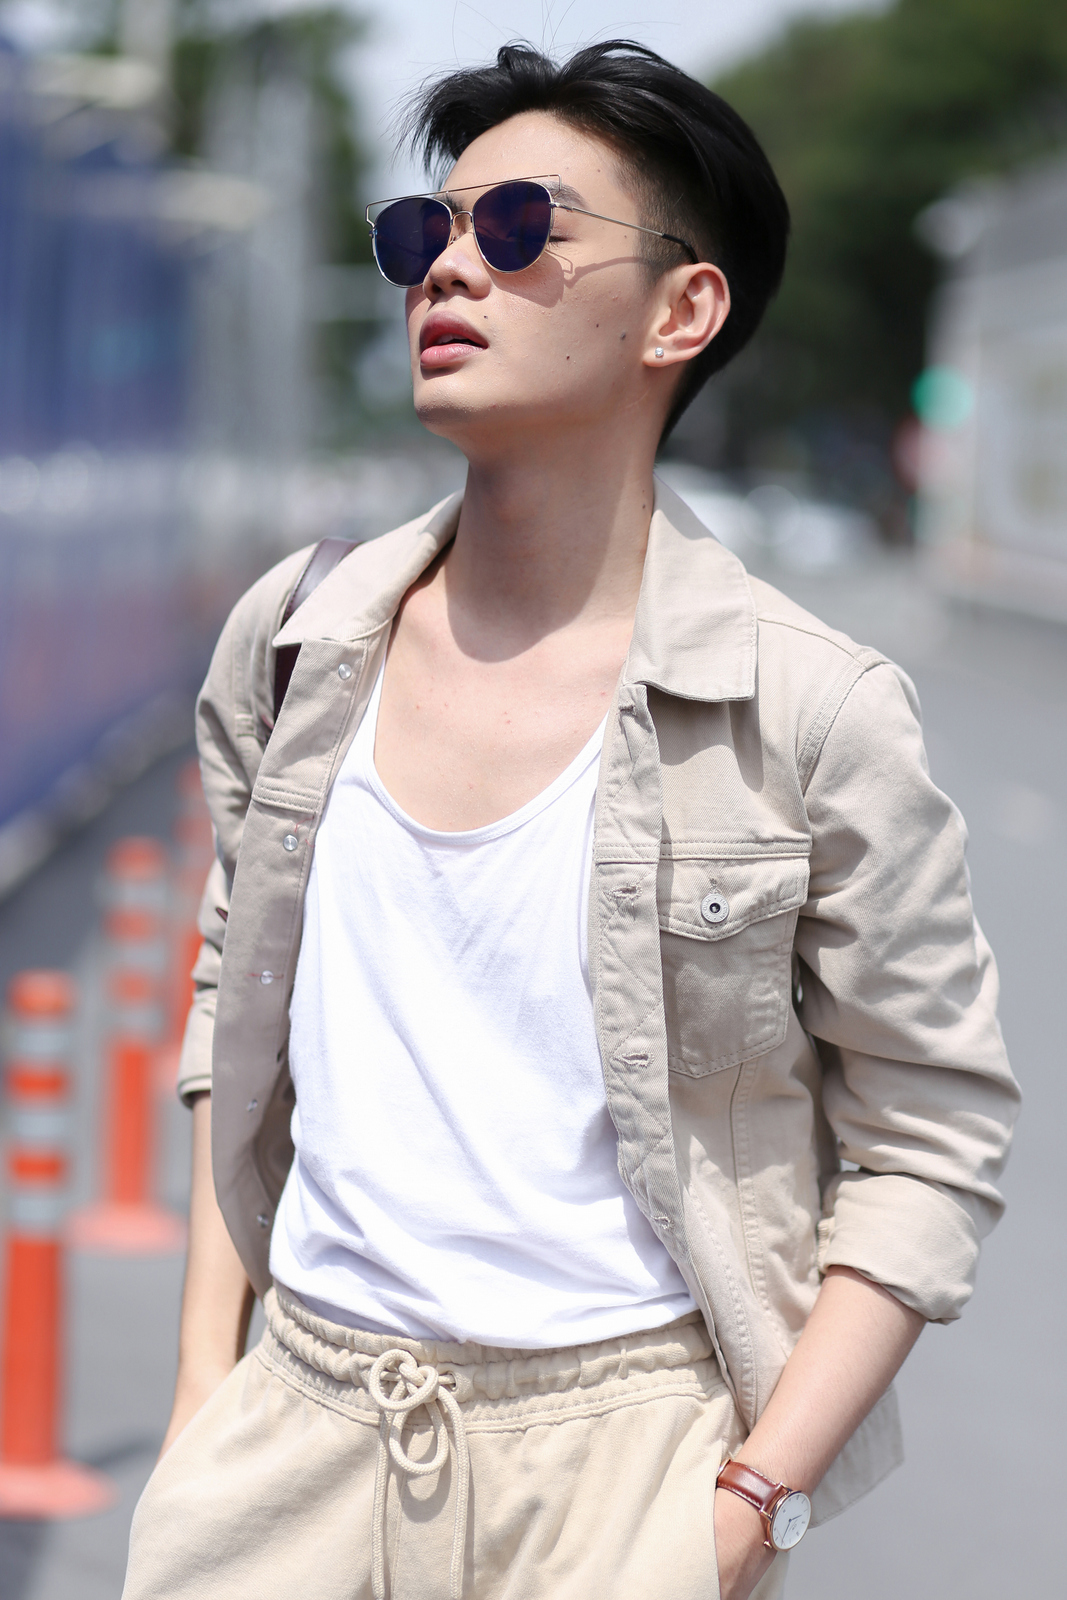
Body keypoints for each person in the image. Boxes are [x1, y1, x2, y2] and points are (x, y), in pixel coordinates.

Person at [122, 40, 1019, 1600]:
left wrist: (745, 1508)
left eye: (522, 227)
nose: (449, 265)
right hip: (291, 1441)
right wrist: (209, 1389)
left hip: (622, 1476)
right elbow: (236, 1007)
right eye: (427, 229)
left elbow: (930, 1139)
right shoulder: (295, 643)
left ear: (681, 311)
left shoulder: (809, 710)